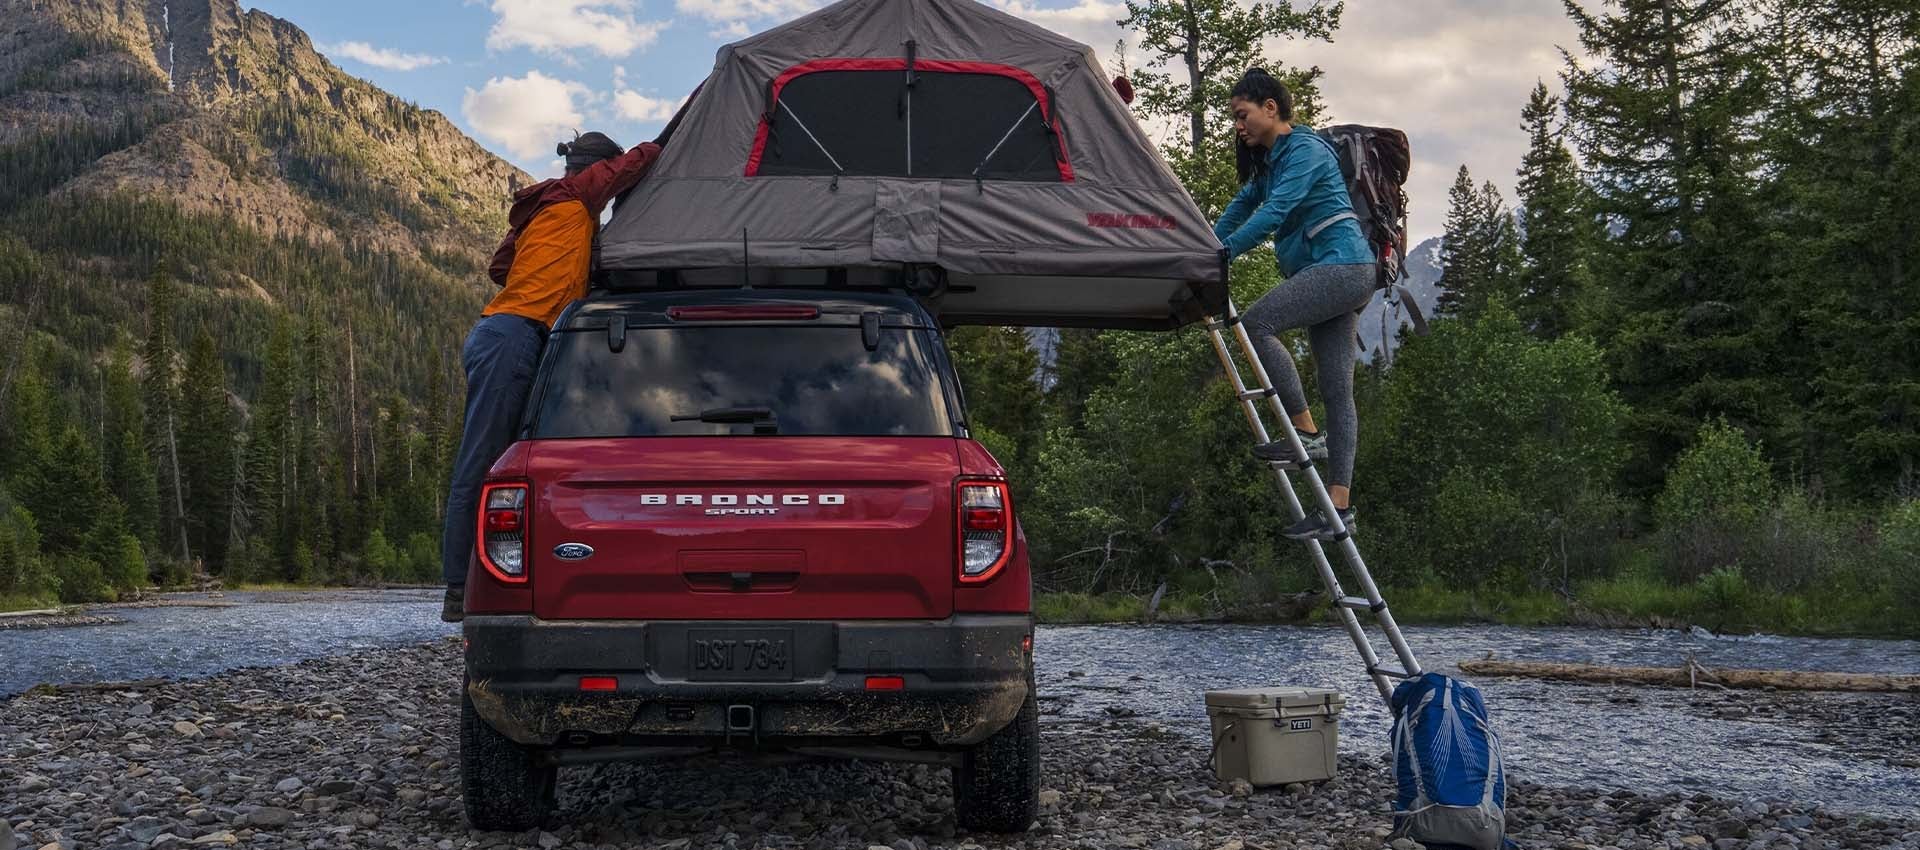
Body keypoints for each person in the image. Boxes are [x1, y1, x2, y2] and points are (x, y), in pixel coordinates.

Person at [441, 131, 662, 621]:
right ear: (594, 167)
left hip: (506, 333)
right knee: (481, 465)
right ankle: (459, 587)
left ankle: (483, 581)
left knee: (505, 461)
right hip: (513, 335)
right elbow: (641, 160)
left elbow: (501, 267)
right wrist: (670, 135)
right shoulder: (579, 192)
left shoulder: (546, 206)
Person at [1212, 68, 1375, 542]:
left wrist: (1222, 255)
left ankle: (1304, 432)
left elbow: (1275, 213)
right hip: (1339, 273)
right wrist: (1206, 243)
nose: (1238, 126)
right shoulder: (1272, 164)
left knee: (1258, 323)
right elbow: (1244, 205)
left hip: (1342, 268)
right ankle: (1339, 509)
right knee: (1337, 389)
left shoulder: (1303, 151)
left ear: (1271, 107)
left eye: (1242, 115)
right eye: (1233, 119)